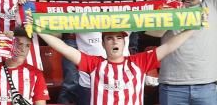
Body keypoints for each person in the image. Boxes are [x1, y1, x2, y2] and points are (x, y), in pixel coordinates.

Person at [40, 28, 196, 105]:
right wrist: (38, 29)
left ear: (124, 42)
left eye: (119, 38)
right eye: (109, 38)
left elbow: (169, 46)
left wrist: (194, 27)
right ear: (102, 43)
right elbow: (64, 48)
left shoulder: (139, 62)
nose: (115, 41)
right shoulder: (94, 64)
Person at [0, 30, 50, 105]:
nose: (23, 49)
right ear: (9, 45)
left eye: (27, 45)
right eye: (19, 44)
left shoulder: (35, 73)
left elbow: (40, 102)